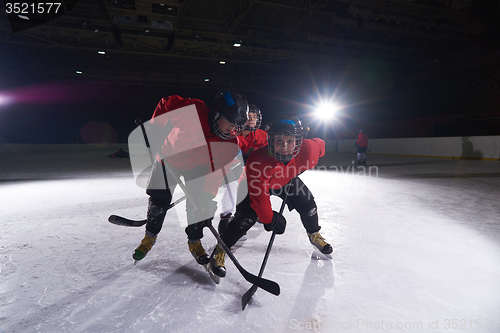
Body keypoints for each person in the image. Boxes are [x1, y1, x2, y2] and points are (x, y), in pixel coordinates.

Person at [132, 90, 249, 266]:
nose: (232, 130)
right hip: (167, 158)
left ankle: (195, 242)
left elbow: (216, 172)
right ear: (217, 113)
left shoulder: (230, 144)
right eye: (229, 123)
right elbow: (166, 103)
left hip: (198, 169)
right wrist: (155, 129)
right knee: (159, 201)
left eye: (237, 126)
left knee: (197, 209)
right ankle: (149, 237)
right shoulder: (192, 110)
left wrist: (206, 195)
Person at [209, 115, 333, 279]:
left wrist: (300, 166)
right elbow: (260, 200)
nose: (284, 147)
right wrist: (270, 219)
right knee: (245, 218)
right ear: (271, 140)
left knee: (307, 203)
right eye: (279, 141)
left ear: (298, 141)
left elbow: (321, 146)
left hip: (286, 179)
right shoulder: (258, 160)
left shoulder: (309, 151)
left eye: (290, 141)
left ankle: (314, 234)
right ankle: (220, 250)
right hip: (254, 184)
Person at [218, 104, 268, 235]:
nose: (253, 119)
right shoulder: (232, 132)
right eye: (249, 116)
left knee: (259, 180)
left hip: (245, 170)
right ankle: (225, 217)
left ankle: (253, 211)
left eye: (255, 117)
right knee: (232, 183)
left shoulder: (259, 135)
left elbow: (272, 145)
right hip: (227, 168)